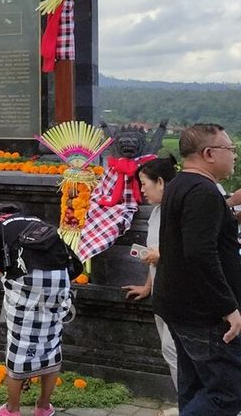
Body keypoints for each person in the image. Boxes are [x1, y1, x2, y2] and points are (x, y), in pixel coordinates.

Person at [153, 123, 241, 416]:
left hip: (179, 305)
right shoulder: (203, 191)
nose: (235, 156)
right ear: (209, 153)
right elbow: (201, 254)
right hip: (204, 313)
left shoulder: (179, 184)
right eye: (230, 149)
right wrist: (228, 307)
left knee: (193, 386)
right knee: (227, 393)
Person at [0, 203, 74, 416]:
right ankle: (43, 407)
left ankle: (12, 409)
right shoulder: (35, 221)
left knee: (20, 342)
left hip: (28, 280)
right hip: (58, 278)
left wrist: (6, 269)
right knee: (51, 340)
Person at [122, 156, 179, 416]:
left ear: (161, 182)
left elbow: (190, 249)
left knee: (174, 349)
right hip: (160, 290)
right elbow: (154, 253)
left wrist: (161, 256)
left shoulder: (179, 210)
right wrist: (147, 286)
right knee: (169, 351)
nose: (142, 190)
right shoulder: (156, 212)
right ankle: (187, 401)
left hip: (179, 291)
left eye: (145, 184)